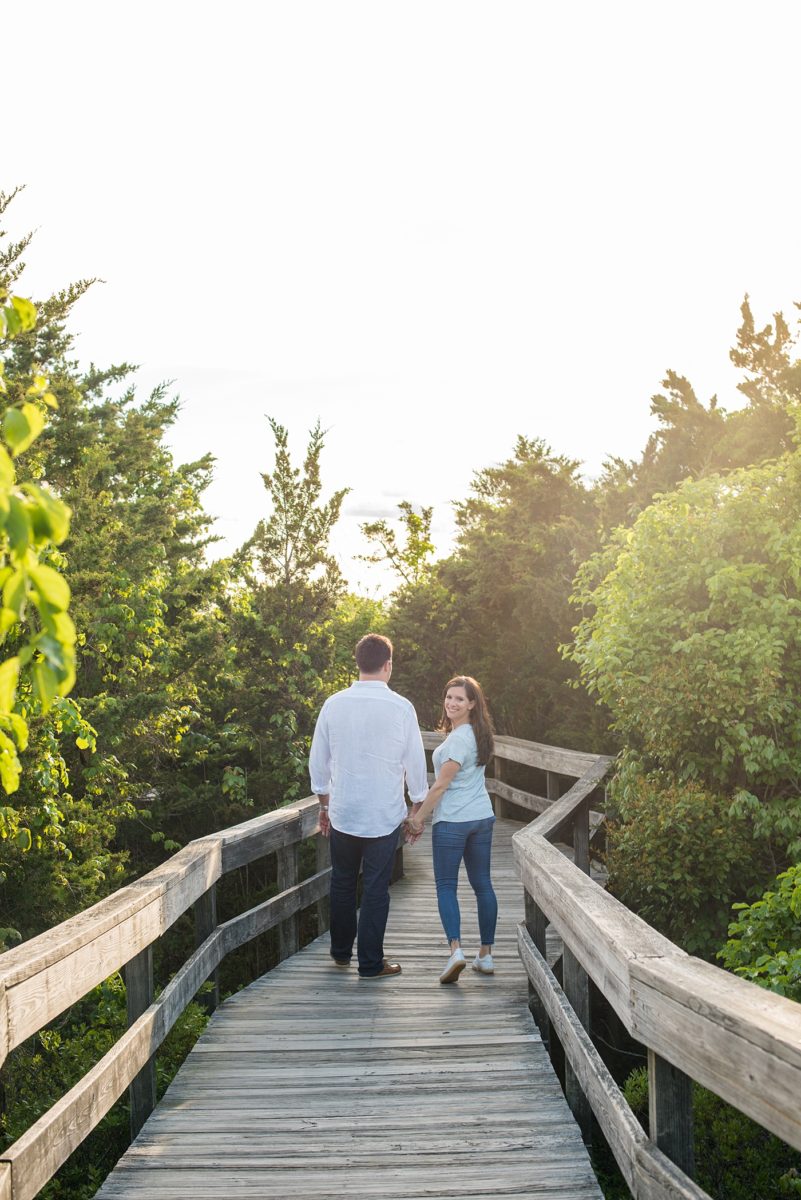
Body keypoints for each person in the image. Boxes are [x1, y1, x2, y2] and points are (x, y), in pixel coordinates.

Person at [309, 633, 428, 978]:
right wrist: (415, 809)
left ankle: (341, 953)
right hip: (383, 815)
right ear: (388, 665)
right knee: (376, 889)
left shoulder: (333, 704)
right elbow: (415, 764)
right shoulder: (402, 707)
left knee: (343, 882)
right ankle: (371, 964)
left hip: (344, 812)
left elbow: (319, 763)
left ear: (358, 663)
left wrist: (324, 805)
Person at [406, 675, 498, 984]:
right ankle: (485, 955)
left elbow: (442, 783)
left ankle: (456, 951)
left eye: (459, 699)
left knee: (446, 886)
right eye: (449, 697)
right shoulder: (476, 733)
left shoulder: (459, 739)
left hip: (454, 821)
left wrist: (419, 818)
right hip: (481, 817)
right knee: (482, 884)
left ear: (472, 703)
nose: (452, 703)